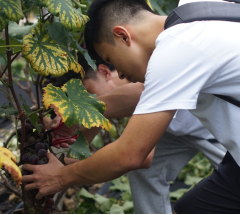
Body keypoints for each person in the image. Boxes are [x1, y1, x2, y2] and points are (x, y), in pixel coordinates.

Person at [22, 0, 240, 213]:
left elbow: (130, 155)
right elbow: (139, 94)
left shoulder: (175, 51)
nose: (118, 72)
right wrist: (76, 115)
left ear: (123, 36)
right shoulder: (197, 12)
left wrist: (61, 177)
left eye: (110, 57)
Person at [79, 55, 226, 214]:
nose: (89, 99)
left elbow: (138, 155)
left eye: (88, 91)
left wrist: (65, 176)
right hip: (176, 127)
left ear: (105, 72)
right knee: (146, 171)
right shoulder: (124, 80)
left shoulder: (144, 72)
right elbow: (88, 130)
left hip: (216, 125)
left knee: (237, 184)